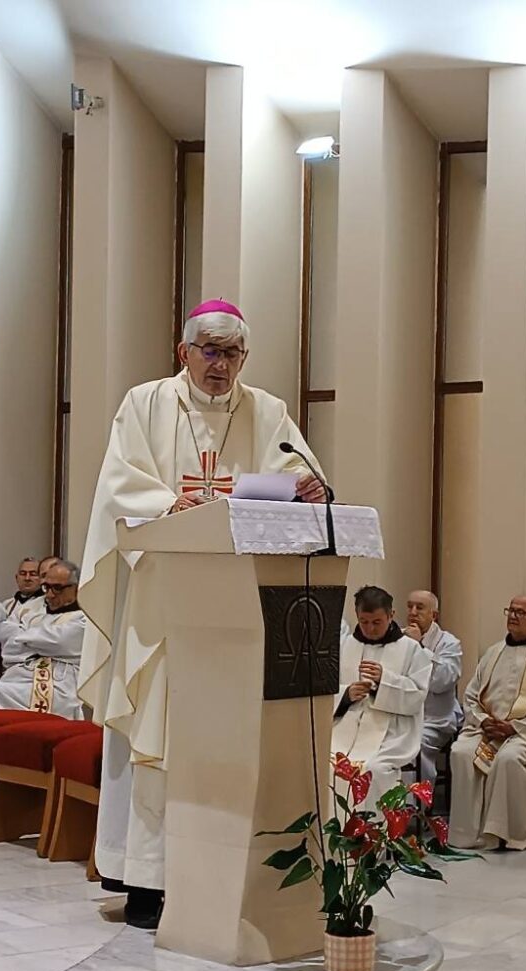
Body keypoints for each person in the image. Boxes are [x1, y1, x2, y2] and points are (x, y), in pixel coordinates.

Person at [78, 299, 328, 928]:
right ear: (182, 350)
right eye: (210, 350)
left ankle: (218, 873)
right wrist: (182, 508)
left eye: (233, 352)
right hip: (162, 598)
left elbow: (299, 471)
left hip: (237, 606)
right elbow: (119, 485)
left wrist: (309, 486)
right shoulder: (146, 403)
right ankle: (146, 880)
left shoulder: (267, 409)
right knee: (155, 735)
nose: (221, 365)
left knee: (225, 739)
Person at [448, 596, 526, 850]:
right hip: (486, 730)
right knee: (461, 752)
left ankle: (510, 834)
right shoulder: (494, 652)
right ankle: (468, 834)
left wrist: (515, 728)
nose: (513, 616)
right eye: (511, 610)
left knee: (509, 759)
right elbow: (472, 694)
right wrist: (484, 721)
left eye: (521, 612)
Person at [333, 586, 433, 810]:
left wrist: (383, 682)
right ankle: (335, 842)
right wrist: (346, 695)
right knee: (329, 766)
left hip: (390, 732)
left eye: (377, 622)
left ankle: (373, 842)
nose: (369, 629)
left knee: (374, 770)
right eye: (364, 621)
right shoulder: (345, 646)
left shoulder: (411, 650)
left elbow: (417, 694)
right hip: (345, 730)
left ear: (391, 615)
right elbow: (326, 691)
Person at [0, 559, 86, 718]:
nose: (50, 594)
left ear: (76, 588)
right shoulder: (32, 612)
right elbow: (6, 634)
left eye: (57, 588)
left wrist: (25, 638)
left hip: (59, 684)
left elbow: (59, 641)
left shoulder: (85, 618)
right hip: (20, 676)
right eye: (47, 587)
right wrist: (39, 644)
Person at [404, 590, 463, 784]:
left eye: (419, 608)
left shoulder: (449, 643)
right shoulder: (400, 639)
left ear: (434, 615)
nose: (412, 612)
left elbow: (442, 681)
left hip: (435, 720)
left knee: (414, 747)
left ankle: (417, 807)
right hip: (403, 716)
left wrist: (419, 646)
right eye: (410, 606)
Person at [0, 555, 53, 646]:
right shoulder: (6, 605)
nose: (27, 578)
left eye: (33, 574)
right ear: (16, 578)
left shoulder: (48, 605)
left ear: (42, 579)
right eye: (23, 573)